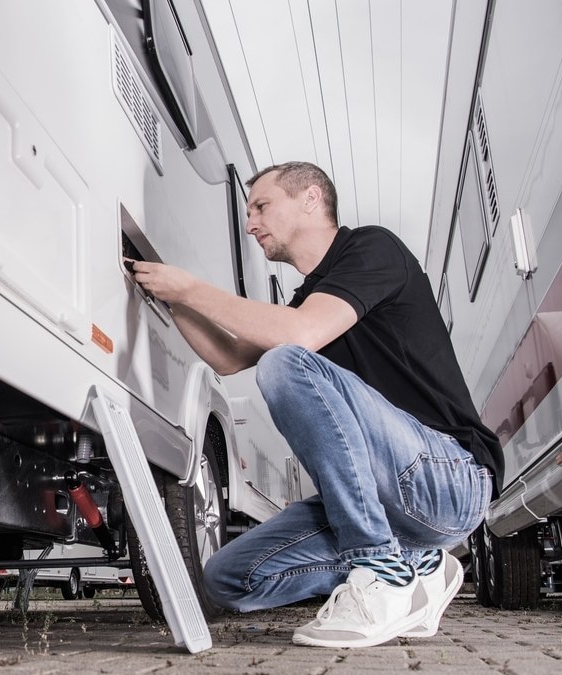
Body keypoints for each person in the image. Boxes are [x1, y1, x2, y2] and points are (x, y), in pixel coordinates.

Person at [129, 161, 502, 649]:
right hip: (390, 502)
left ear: (310, 198)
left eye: (261, 206)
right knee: (227, 578)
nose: (250, 223)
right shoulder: (309, 298)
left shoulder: (372, 249)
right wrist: (174, 299)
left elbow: (297, 337)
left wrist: (193, 288)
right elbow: (227, 355)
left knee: (284, 362)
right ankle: (421, 565)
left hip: (450, 478)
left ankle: (380, 571)